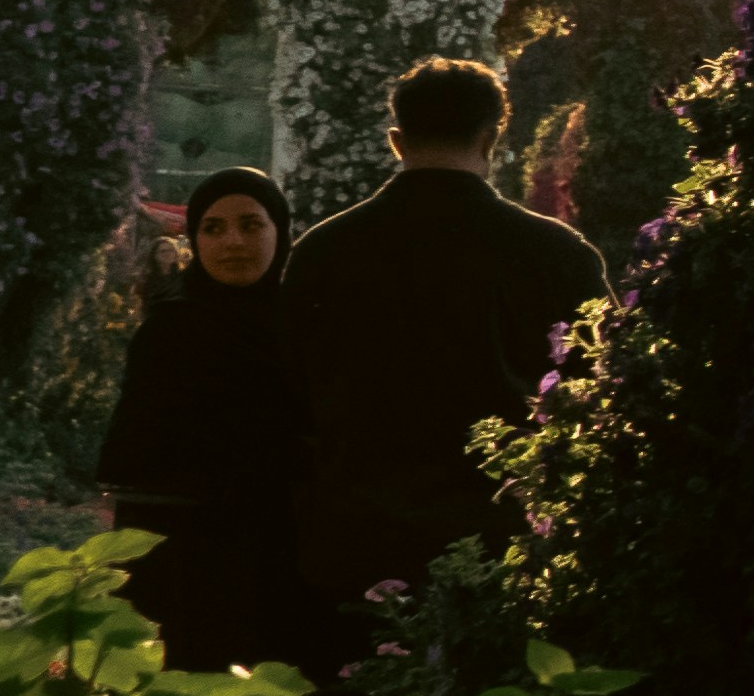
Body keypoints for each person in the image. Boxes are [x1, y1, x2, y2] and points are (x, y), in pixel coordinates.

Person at [280, 57, 611, 613]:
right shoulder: (557, 254)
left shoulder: (324, 252)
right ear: (491, 138)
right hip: (506, 547)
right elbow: (600, 390)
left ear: (396, 140)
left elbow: (289, 395)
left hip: (358, 547)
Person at [93, 168, 306, 651]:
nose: (233, 242)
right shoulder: (171, 331)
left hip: (283, 555)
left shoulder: (306, 328)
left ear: (280, 231)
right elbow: (135, 459)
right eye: (213, 228)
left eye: (251, 225)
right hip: (181, 562)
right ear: (194, 239)